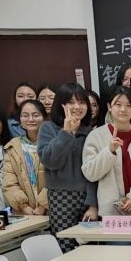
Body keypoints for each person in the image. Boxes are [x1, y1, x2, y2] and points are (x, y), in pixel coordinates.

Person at [38, 83, 98, 252]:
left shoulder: (90, 132)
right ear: (61, 105)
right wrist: (66, 132)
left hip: (87, 197)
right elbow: (50, 161)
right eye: (71, 102)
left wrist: (93, 204)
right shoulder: (48, 128)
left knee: (91, 249)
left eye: (82, 102)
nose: (77, 107)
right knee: (65, 247)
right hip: (60, 198)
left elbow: (95, 172)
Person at [82, 86, 131, 218]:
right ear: (109, 106)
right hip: (110, 212)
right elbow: (90, 173)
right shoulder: (96, 135)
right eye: (118, 105)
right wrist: (109, 151)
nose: (123, 109)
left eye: (128, 105)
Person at [2, 99, 47, 215]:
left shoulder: (54, 143)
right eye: (25, 115)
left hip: (52, 210)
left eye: (35, 115)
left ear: (44, 118)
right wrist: (24, 207)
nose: (30, 119)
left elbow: (58, 178)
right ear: (20, 120)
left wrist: (42, 205)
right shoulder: (13, 147)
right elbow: (9, 182)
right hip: (23, 213)